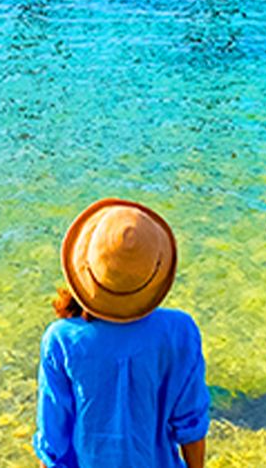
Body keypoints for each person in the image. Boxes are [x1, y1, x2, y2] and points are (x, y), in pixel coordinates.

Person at [34, 198, 210, 468]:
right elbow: (191, 426)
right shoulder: (179, 331)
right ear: (154, 271)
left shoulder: (61, 340)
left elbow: (53, 441)